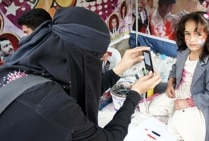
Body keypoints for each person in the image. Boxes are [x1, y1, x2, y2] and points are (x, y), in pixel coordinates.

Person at [0, 7, 161, 141]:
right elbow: (109, 138)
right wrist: (135, 94)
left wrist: (120, 68)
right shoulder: (53, 103)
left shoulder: (21, 68)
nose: (102, 60)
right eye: (98, 57)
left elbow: (82, 92)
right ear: (81, 57)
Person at [149, 11, 209, 141]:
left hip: (198, 102)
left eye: (198, 34)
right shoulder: (183, 52)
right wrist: (170, 82)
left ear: (208, 35)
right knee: (153, 108)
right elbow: (175, 68)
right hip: (179, 92)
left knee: (177, 126)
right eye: (188, 33)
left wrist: (188, 102)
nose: (191, 39)